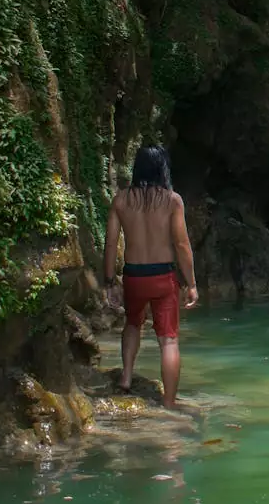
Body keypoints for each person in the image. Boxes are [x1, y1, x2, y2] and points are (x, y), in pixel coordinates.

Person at [103, 144, 198, 409]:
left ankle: (126, 377)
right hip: (162, 277)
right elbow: (181, 245)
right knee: (168, 338)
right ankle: (168, 402)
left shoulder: (121, 199)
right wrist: (191, 283)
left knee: (132, 323)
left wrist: (109, 281)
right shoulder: (172, 200)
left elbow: (110, 244)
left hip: (134, 276)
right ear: (162, 168)